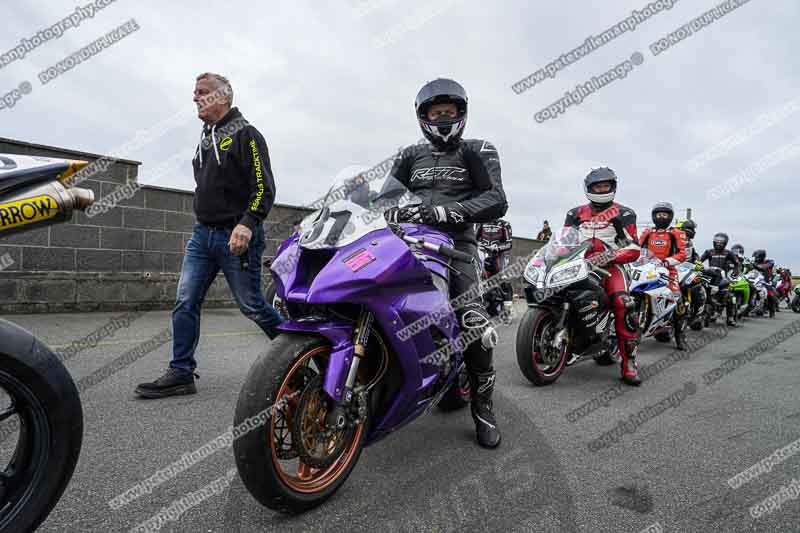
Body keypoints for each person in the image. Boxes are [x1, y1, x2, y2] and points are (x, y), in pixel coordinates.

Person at [136, 73, 283, 398]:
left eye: (201, 92)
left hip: (237, 236)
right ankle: (181, 372)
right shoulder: (205, 139)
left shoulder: (247, 134)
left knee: (253, 306)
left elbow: (264, 188)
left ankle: (297, 358)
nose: (194, 98)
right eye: (194, 92)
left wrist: (247, 222)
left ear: (222, 96)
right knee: (185, 301)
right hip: (202, 237)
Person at [383, 78, 507, 448]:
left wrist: (448, 211)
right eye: (436, 113)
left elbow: (497, 199)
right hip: (408, 242)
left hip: (457, 246)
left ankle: (483, 409)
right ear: (423, 117)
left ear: (461, 114)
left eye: (448, 112)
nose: (442, 118)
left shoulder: (478, 150)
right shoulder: (408, 155)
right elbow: (384, 196)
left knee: (473, 321)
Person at [563, 167, 642, 386]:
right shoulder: (575, 213)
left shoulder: (624, 213)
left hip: (611, 267)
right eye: (598, 186)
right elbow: (563, 241)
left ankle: (629, 363)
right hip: (579, 265)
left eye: (606, 186)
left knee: (623, 304)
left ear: (613, 187)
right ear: (589, 189)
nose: (602, 189)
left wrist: (609, 257)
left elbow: (634, 247)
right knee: (553, 291)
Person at [639, 202, 688, 350]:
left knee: (677, 298)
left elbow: (682, 254)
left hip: (669, 271)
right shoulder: (647, 232)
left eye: (664, 214)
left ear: (670, 216)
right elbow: (636, 247)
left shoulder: (676, 233)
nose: (661, 217)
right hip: (647, 268)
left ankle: (680, 337)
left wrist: (667, 262)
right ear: (654, 216)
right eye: (658, 214)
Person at [477, 219, 514, 322]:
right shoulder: (482, 223)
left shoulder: (505, 224)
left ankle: (508, 311)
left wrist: (497, 247)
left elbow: (509, 243)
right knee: (479, 279)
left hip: (499, 255)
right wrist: (479, 245)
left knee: (503, 280)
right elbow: (475, 239)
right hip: (483, 255)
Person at [699, 233, 740, 327]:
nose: (718, 243)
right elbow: (699, 261)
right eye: (717, 241)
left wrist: (735, 273)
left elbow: (737, 264)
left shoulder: (728, 253)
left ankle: (730, 318)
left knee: (729, 296)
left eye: (721, 242)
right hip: (710, 276)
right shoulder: (709, 252)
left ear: (725, 243)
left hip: (723, 277)